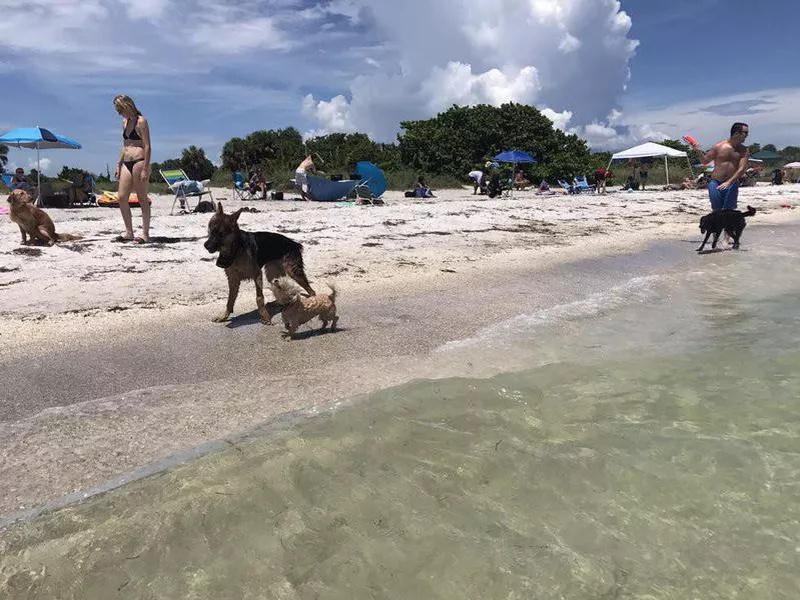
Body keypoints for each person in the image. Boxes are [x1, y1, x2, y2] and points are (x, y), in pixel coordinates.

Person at [113, 94, 151, 243]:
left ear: (128, 106)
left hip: (139, 161)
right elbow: (126, 145)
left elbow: (147, 146)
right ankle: (129, 232)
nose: (119, 113)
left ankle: (145, 234)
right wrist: (118, 163)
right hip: (126, 162)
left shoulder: (141, 122)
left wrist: (145, 168)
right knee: (122, 197)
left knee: (142, 198)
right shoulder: (124, 122)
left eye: (120, 109)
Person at [689, 122, 750, 211]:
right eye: (745, 133)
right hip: (715, 183)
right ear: (736, 133)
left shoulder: (744, 150)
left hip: (731, 183)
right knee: (716, 211)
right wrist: (698, 151)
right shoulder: (719, 146)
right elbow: (705, 161)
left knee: (729, 212)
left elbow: (742, 169)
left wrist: (729, 182)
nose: (747, 136)